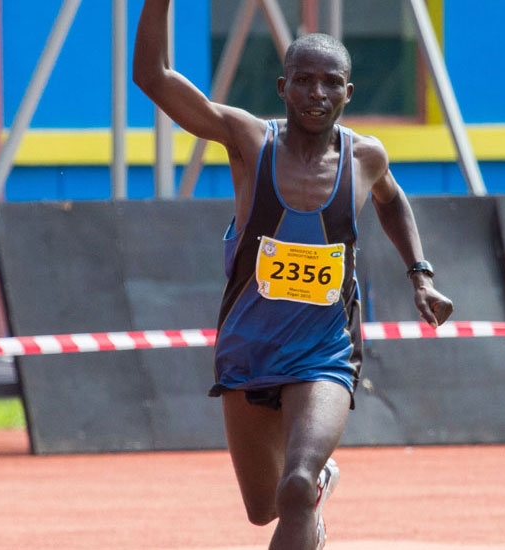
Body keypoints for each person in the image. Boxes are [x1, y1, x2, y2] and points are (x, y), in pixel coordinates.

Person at [133, 2, 454, 548]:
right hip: (248, 351)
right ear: (283, 87)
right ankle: (315, 490)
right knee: (264, 508)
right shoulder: (248, 140)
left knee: (296, 485)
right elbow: (153, 77)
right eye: (303, 81)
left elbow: (392, 200)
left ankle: (310, 485)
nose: (317, 94)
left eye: (332, 83)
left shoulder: (365, 158)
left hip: (324, 352)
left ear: (349, 94)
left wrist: (420, 273)